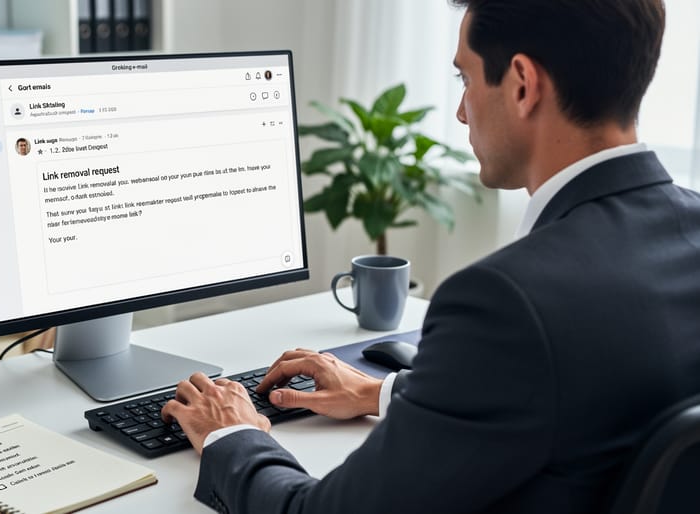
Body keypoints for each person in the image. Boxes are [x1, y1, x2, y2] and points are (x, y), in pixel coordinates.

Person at [161, 1, 700, 513]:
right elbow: (581, 400)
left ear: (522, 85)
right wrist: (382, 392)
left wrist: (232, 433)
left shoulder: (507, 302)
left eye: (464, 79)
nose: (462, 112)